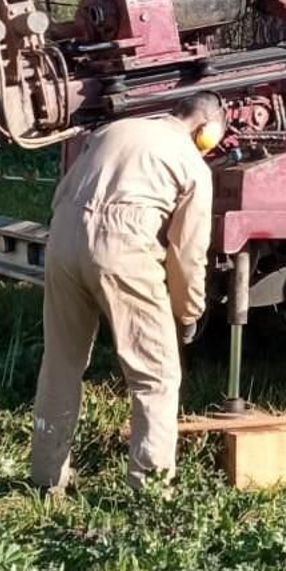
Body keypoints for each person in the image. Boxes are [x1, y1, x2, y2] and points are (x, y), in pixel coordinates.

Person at [30, 94, 224, 493]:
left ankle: (47, 477)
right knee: (156, 376)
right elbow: (187, 254)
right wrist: (188, 313)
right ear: (205, 131)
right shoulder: (192, 164)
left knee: (61, 363)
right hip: (123, 245)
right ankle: (149, 490)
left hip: (63, 239)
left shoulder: (113, 130)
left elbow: (62, 193)